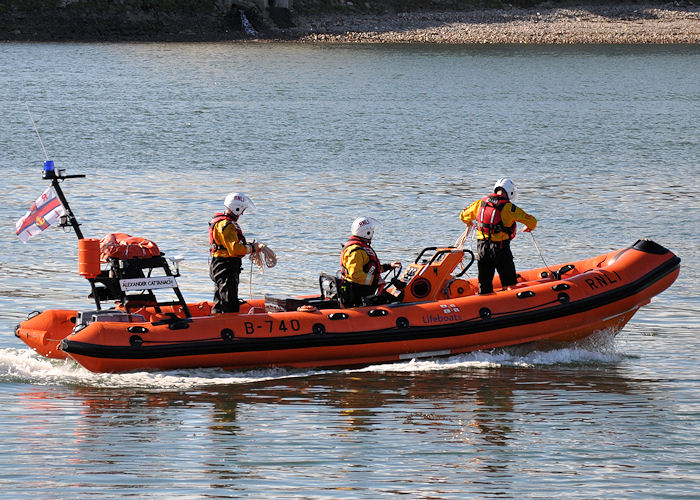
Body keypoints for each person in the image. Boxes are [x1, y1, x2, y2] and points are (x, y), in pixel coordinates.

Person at [459, 178, 537, 294]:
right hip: (500, 249)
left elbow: (463, 216)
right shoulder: (509, 208)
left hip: (482, 249)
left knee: (484, 284)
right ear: (510, 192)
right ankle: (512, 305)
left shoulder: (480, 203)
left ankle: (484, 302)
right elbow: (532, 221)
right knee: (510, 283)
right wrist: (529, 227)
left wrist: (468, 222)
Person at [209, 192, 263, 313]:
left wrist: (248, 246)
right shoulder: (227, 225)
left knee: (220, 297)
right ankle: (229, 323)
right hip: (225, 266)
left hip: (219, 264)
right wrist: (253, 248)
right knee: (229, 300)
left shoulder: (221, 223)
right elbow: (234, 249)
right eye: (242, 210)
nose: (242, 213)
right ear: (236, 208)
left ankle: (217, 318)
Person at [339, 217, 401, 307]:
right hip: (360, 290)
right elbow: (355, 275)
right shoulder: (356, 252)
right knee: (396, 302)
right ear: (367, 233)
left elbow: (370, 269)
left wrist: (388, 266)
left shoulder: (360, 248)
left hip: (362, 288)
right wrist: (376, 281)